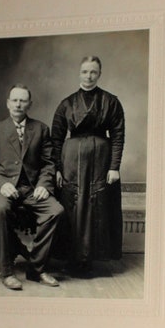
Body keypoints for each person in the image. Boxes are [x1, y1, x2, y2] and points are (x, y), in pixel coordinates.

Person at [0, 84, 64, 290]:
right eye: (14, 100)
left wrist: (44, 185)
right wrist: (2, 184)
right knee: (0, 209)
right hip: (4, 190)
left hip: (31, 189)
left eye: (23, 100)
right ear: (8, 104)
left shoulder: (41, 129)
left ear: (29, 104)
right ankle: (6, 272)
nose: (18, 104)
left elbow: (48, 163)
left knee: (56, 211)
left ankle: (36, 268)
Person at [51, 56, 125, 277]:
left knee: (97, 206)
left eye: (93, 72)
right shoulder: (66, 103)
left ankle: (91, 258)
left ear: (99, 74)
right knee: (73, 205)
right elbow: (56, 138)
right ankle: (71, 257)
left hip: (101, 161)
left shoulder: (111, 101)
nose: (89, 76)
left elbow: (119, 136)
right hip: (72, 162)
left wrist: (114, 166)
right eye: (85, 71)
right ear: (79, 73)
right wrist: (57, 167)